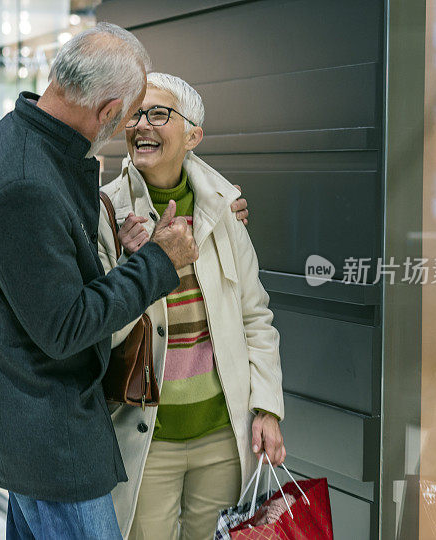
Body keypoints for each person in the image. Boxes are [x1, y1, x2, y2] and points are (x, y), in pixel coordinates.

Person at [0, 24, 205, 539]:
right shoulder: (27, 179)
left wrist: (124, 255)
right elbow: (64, 325)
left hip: (33, 422)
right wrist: (158, 262)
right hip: (47, 431)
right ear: (109, 110)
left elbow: (48, 283)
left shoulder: (29, 142)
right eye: (131, 112)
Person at [98, 73, 285, 540]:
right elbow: (99, 329)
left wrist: (267, 409)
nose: (141, 124)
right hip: (146, 435)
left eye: (158, 113)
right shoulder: (104, 210)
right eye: (134, 114)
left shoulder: (223, 208)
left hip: (221, 433)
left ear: (193, 135)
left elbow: (255, 316)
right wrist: (127, 265)